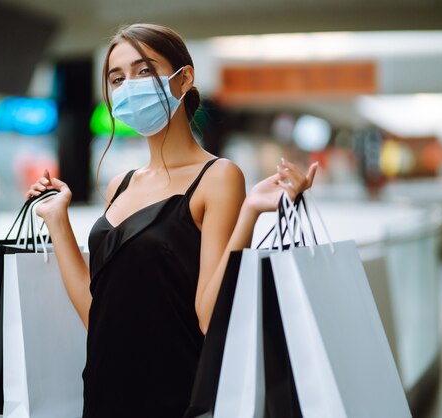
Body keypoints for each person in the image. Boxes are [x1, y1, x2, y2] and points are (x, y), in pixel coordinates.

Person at [25, 23, 318, 418]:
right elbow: (98, 314)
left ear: (184, 79)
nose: (128, 86)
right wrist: (56, 220)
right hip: (103, 394)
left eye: (143, 70)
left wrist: (248, 213)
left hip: (175, 397)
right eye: (117, 78)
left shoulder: (218, 177)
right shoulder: (120, 186)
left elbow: (209, 316)